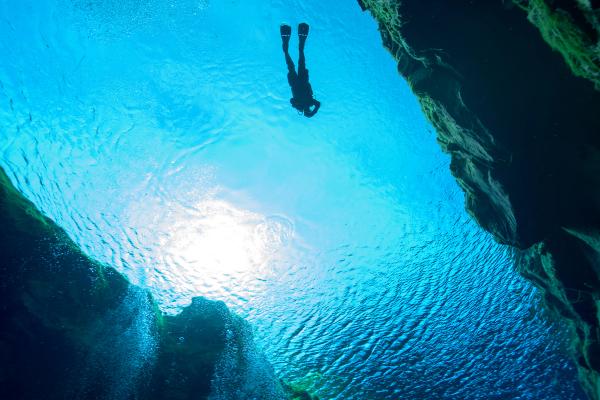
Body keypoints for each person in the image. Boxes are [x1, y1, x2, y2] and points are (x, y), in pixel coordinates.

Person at [280, 23, 321, 118]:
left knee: (294, 64)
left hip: (297, 83)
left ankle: (293, 43)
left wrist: (309, 110)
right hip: (300, 81)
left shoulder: (304, 105)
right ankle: (296, 43)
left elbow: (291, 100)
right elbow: (318, 104)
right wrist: (312, 112)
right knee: (296, 64)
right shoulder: (309, 103)